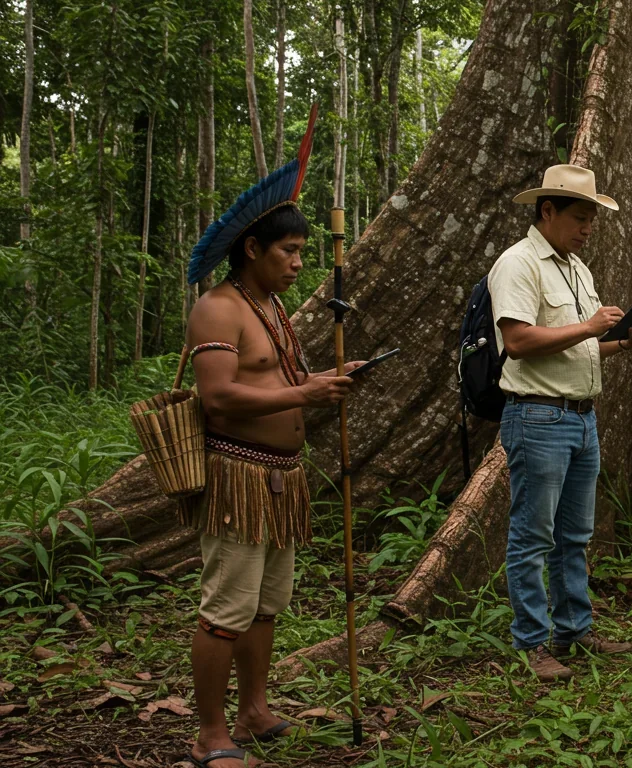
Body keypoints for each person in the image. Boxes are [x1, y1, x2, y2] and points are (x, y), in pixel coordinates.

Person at [180, 112, 364, 768]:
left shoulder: (273, 309)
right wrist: (305, 394)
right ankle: (209, 735)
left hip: (280, 477)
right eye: (288, 253)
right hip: (238, 475)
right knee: (226, 608)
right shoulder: (219, 308)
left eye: (301, 254)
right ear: (253, 249)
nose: (296, 265)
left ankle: (254, 712)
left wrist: (328, 380)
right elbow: (220, 395)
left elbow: (283, 378)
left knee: (265, 606)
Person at [489, 164, 632, 681]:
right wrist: (588, 325)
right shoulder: (518, 265)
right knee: (533, 536)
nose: (588, 228)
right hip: (537, 416)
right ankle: (533, 644)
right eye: (581, 218)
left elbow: (577, 344)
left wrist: (622, 341)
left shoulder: (575, 268)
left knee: (574, 535)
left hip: (582, 418)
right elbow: (516, 341)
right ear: (547, 211)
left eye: (592, 219)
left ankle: (575, 631)